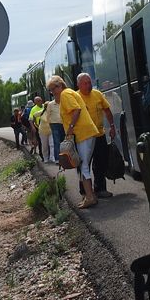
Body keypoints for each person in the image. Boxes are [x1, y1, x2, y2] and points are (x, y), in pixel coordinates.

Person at [46, 75, 100, 209]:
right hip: (86, 132)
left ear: (59, 86)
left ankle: (90, 197)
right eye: (51, 90)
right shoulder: (69, 92)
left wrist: (70, 128)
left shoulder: (65, 94)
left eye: (53, 89)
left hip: (83, 133)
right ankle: (90, 196)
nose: (52, 93)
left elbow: (77, 109)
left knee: (83, 166)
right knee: (83, 165)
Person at [76, 72, 116, 199]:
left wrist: (112, 126)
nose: (89, 85)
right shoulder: (76, 97)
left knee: (101, 162)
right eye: (85, 83)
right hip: (84, 137)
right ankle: (85, 192)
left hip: (99, 134)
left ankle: (100, 189)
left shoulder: (98, 94)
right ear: (79, 85)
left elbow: (107, 110)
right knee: (84, 164)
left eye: (90, 82)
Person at [44, 92, 65, 162]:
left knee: (63, 141)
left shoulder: (63, 103)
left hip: (63, 124)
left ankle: (63, 158)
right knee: (56, 141)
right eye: (55, 95)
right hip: (54, 124)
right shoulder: (50, 104)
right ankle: (57, 159)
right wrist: (50, 124)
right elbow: (48, 115)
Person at [36, 98, 56, 163]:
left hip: (50, 131)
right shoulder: (41, 112)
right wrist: (36, 125)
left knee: (52, 144)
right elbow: (33, 116)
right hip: (42, 131)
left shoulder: (53, 112)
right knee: (44, 146)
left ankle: (52, 157)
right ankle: (45, 158)